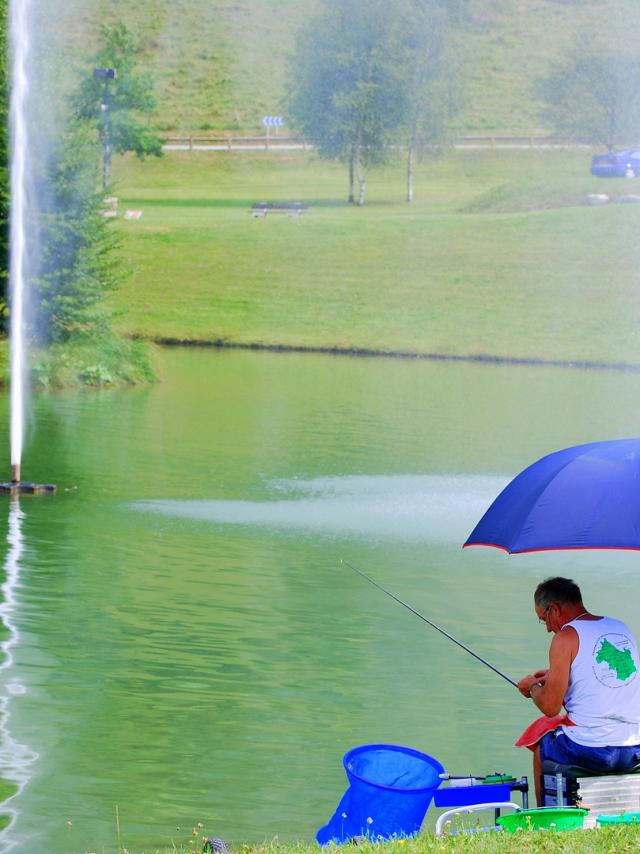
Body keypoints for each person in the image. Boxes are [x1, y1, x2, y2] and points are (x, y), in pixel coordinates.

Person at [518, 576, 640, 804]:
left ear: (553, 609)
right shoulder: (620, 628)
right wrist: (555, 675)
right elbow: (608, 674)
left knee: (542, 743)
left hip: (592, 747)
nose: (547, 629)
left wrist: (531, 686)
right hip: (634, 745)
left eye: (543, 619)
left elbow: (551, 707)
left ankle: (544, 818)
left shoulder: (565, 637)